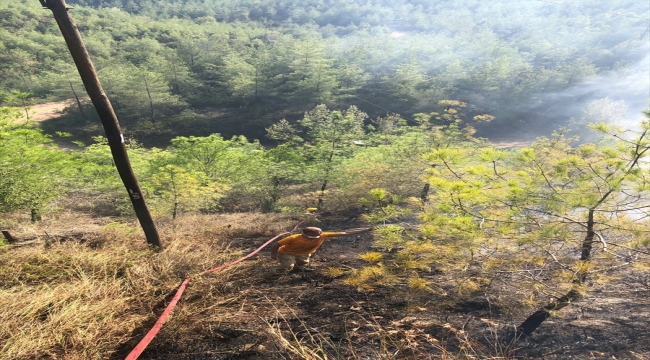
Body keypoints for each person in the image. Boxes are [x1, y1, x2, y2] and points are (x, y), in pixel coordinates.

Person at [270, 226, 373, 271]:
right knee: (287, 266)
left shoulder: (324, 235)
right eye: (318, 232)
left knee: (303, 263)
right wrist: (274, 254)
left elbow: (346, 233)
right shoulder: (293, 238)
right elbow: (276, 245)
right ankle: (276, 274)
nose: (321, 233)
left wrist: (367, 229)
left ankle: (295, 269)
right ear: (308, 233)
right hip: (287, 253)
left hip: (305, 253)